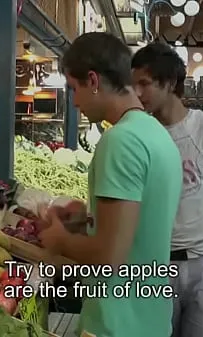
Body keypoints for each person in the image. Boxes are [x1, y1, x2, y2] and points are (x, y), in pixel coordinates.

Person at [38, 32, 183, 337]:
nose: (75, 102)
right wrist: (88, 219)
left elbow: (110, 258)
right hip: (149, 317)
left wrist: (60, 240)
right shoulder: (156, 134)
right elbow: (141, 225)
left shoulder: (121, 141)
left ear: (93, 81)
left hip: (117, 323)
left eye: (74, 89)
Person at [131, 42, 203, 337]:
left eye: (144, 83)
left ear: (169, 83)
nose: (138, 93)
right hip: (155, 265)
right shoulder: (139, 135)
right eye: (134, 85)